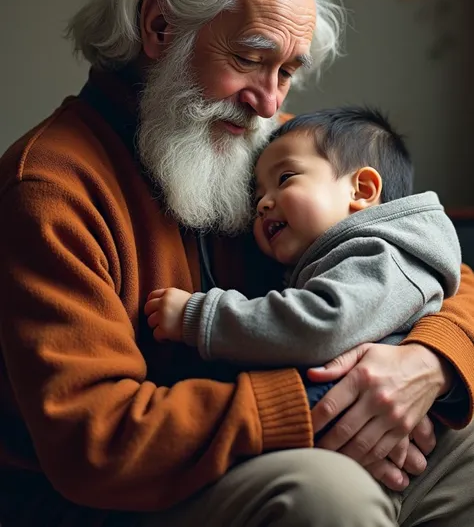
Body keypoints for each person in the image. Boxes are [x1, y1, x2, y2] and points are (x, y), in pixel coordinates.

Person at [0, 0, 473, 527]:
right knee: (327, 496)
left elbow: (425, 258)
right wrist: (322, 402)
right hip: (134, 496)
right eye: (251, 59)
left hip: (288, 435)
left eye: (288, 72)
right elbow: (94, 439)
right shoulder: (48, 189)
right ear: (160, 27)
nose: (271, 104)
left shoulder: (266, 147)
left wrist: (428, 363)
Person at [143, 107, 461, 405]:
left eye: (285, 179)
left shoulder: (381, 257)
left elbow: (322, 327)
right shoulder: (337, 257)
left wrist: (201, 317)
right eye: (257, 197)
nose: (263, 204)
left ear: (361, 190)